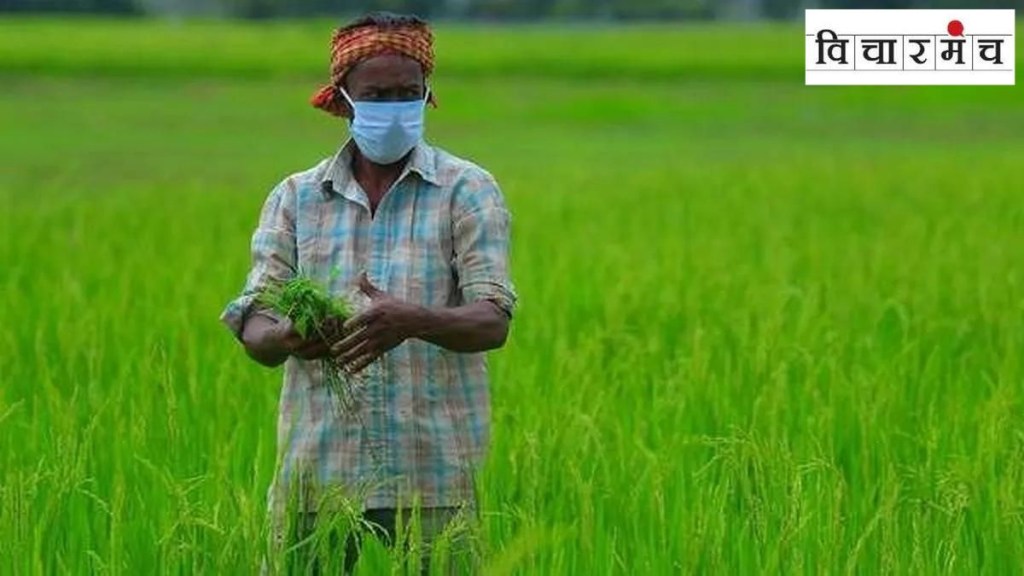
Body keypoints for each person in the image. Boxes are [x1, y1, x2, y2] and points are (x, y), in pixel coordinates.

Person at [220, 11, 517, 574]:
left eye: (407, 93)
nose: (394, 107)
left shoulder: (467, 190)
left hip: (434, 475)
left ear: (426, 94)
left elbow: (492, 319)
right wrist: (287, 336)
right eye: (377, 95)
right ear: (344, 99)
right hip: (319, 473)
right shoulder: (297, 197)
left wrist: (412, 320)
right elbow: (254, 321)